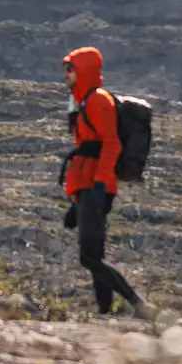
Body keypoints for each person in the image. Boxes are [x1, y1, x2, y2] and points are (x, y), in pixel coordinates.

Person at [61, 46, 145, 317]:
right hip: (86, 185)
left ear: (83, 70)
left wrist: (98, 187)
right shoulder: (84, 100)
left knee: (89, 257)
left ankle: (139, 304)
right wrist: (77, 202)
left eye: (70, 69)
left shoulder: (98, 100)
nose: (66, 75)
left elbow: (111, 143)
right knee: (94, 254)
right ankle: (105, 313)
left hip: (95, 184)